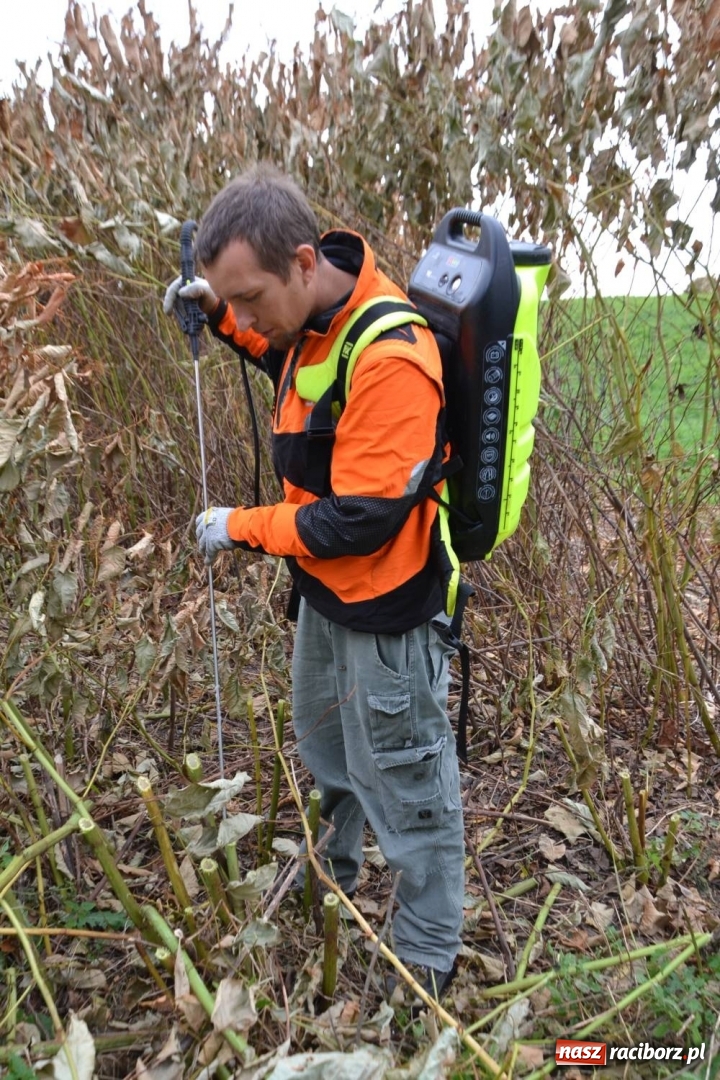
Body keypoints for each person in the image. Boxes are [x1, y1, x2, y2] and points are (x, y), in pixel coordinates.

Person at [164, 164, 465, 999]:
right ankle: (336, 877)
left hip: (387, 614)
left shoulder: (391, 356)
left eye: (249, 297)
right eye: (234, 300)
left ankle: (427, 954)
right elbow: (281, 355)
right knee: (330, 754)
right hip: (328, 601)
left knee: (407, 783)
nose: (247, 316)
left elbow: (354, 521)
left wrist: (240, 526)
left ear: (303, 262)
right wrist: (215, 312)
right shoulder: (312, 320)